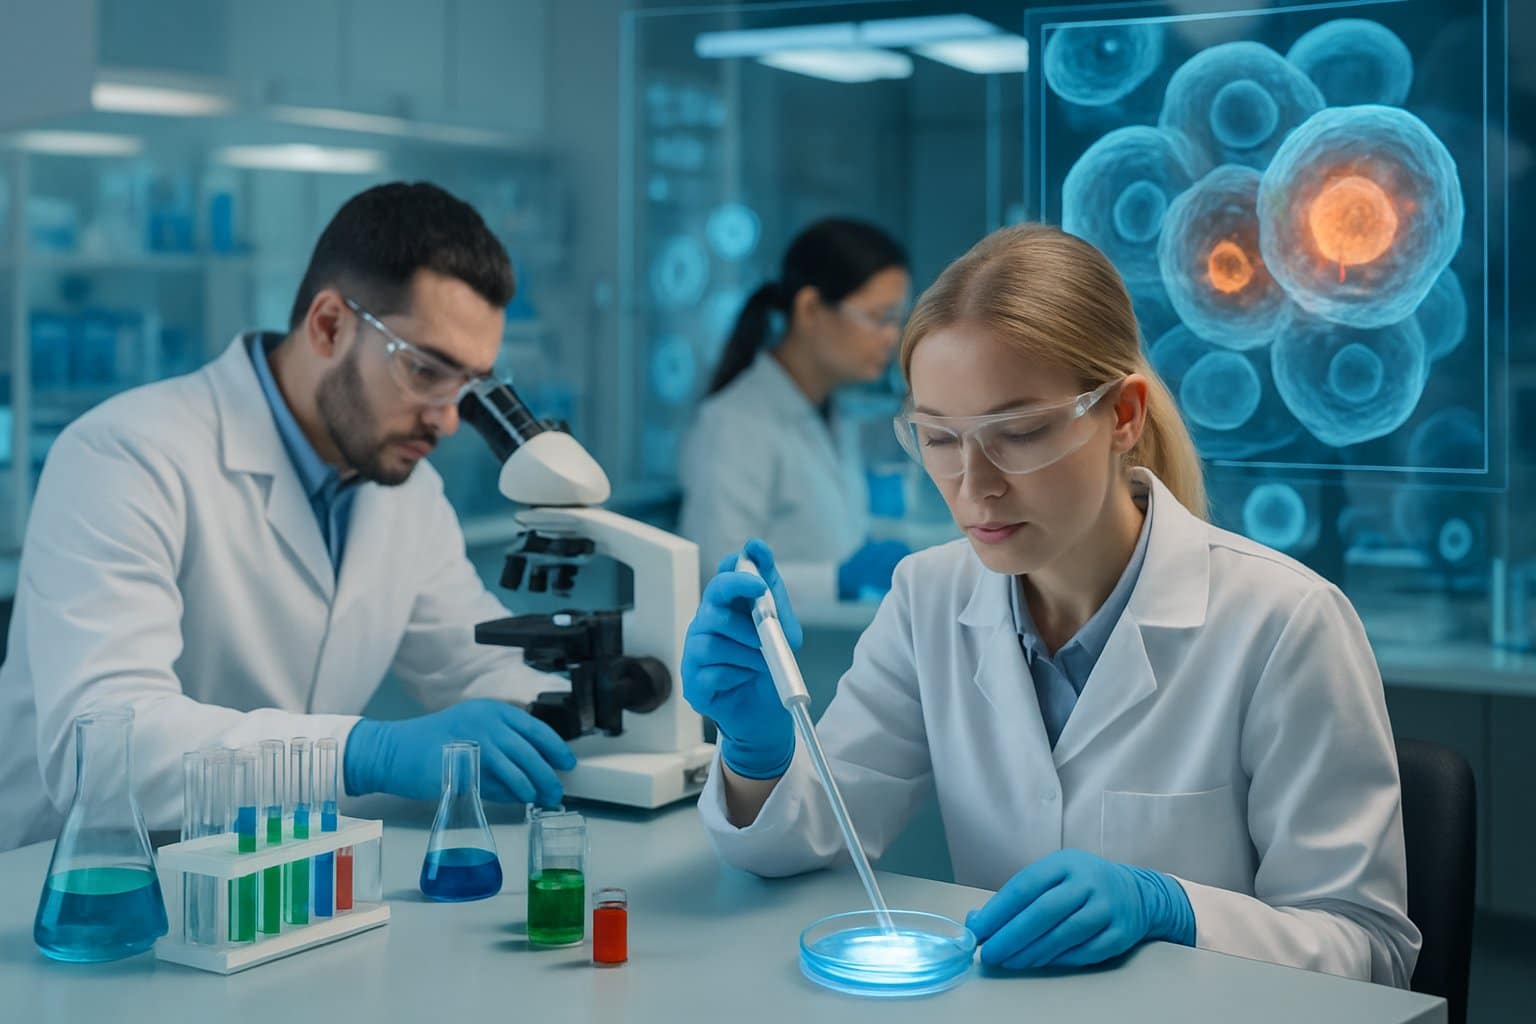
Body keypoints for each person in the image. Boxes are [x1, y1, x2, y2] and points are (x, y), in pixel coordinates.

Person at [680, 224, 1420, 986]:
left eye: (1020, 432)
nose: (974, 486)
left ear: (1122, 417)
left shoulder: (1284, 622)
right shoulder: (927, 598)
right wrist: (758, 752)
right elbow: (810, 842)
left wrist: (1175, 910)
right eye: (938, 438)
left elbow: (1371, 954)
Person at [0, 182, 577, 852]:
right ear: (329, 325)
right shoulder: (125, 456)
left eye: (468, 387)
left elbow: (478, 668)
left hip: (266, 887)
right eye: (425, 371)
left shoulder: (405, 492)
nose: (448, 419)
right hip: (81, 895)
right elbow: (98, 752)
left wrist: (630, 719)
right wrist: (366, 752)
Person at [678, 218, 912, 603]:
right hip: (769, 656)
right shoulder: (734, 423)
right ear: (810, 309)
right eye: (879, 318)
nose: (892, 337)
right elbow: (716, 573)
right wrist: (837, 579)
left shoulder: (832, 413)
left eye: (898, 321)